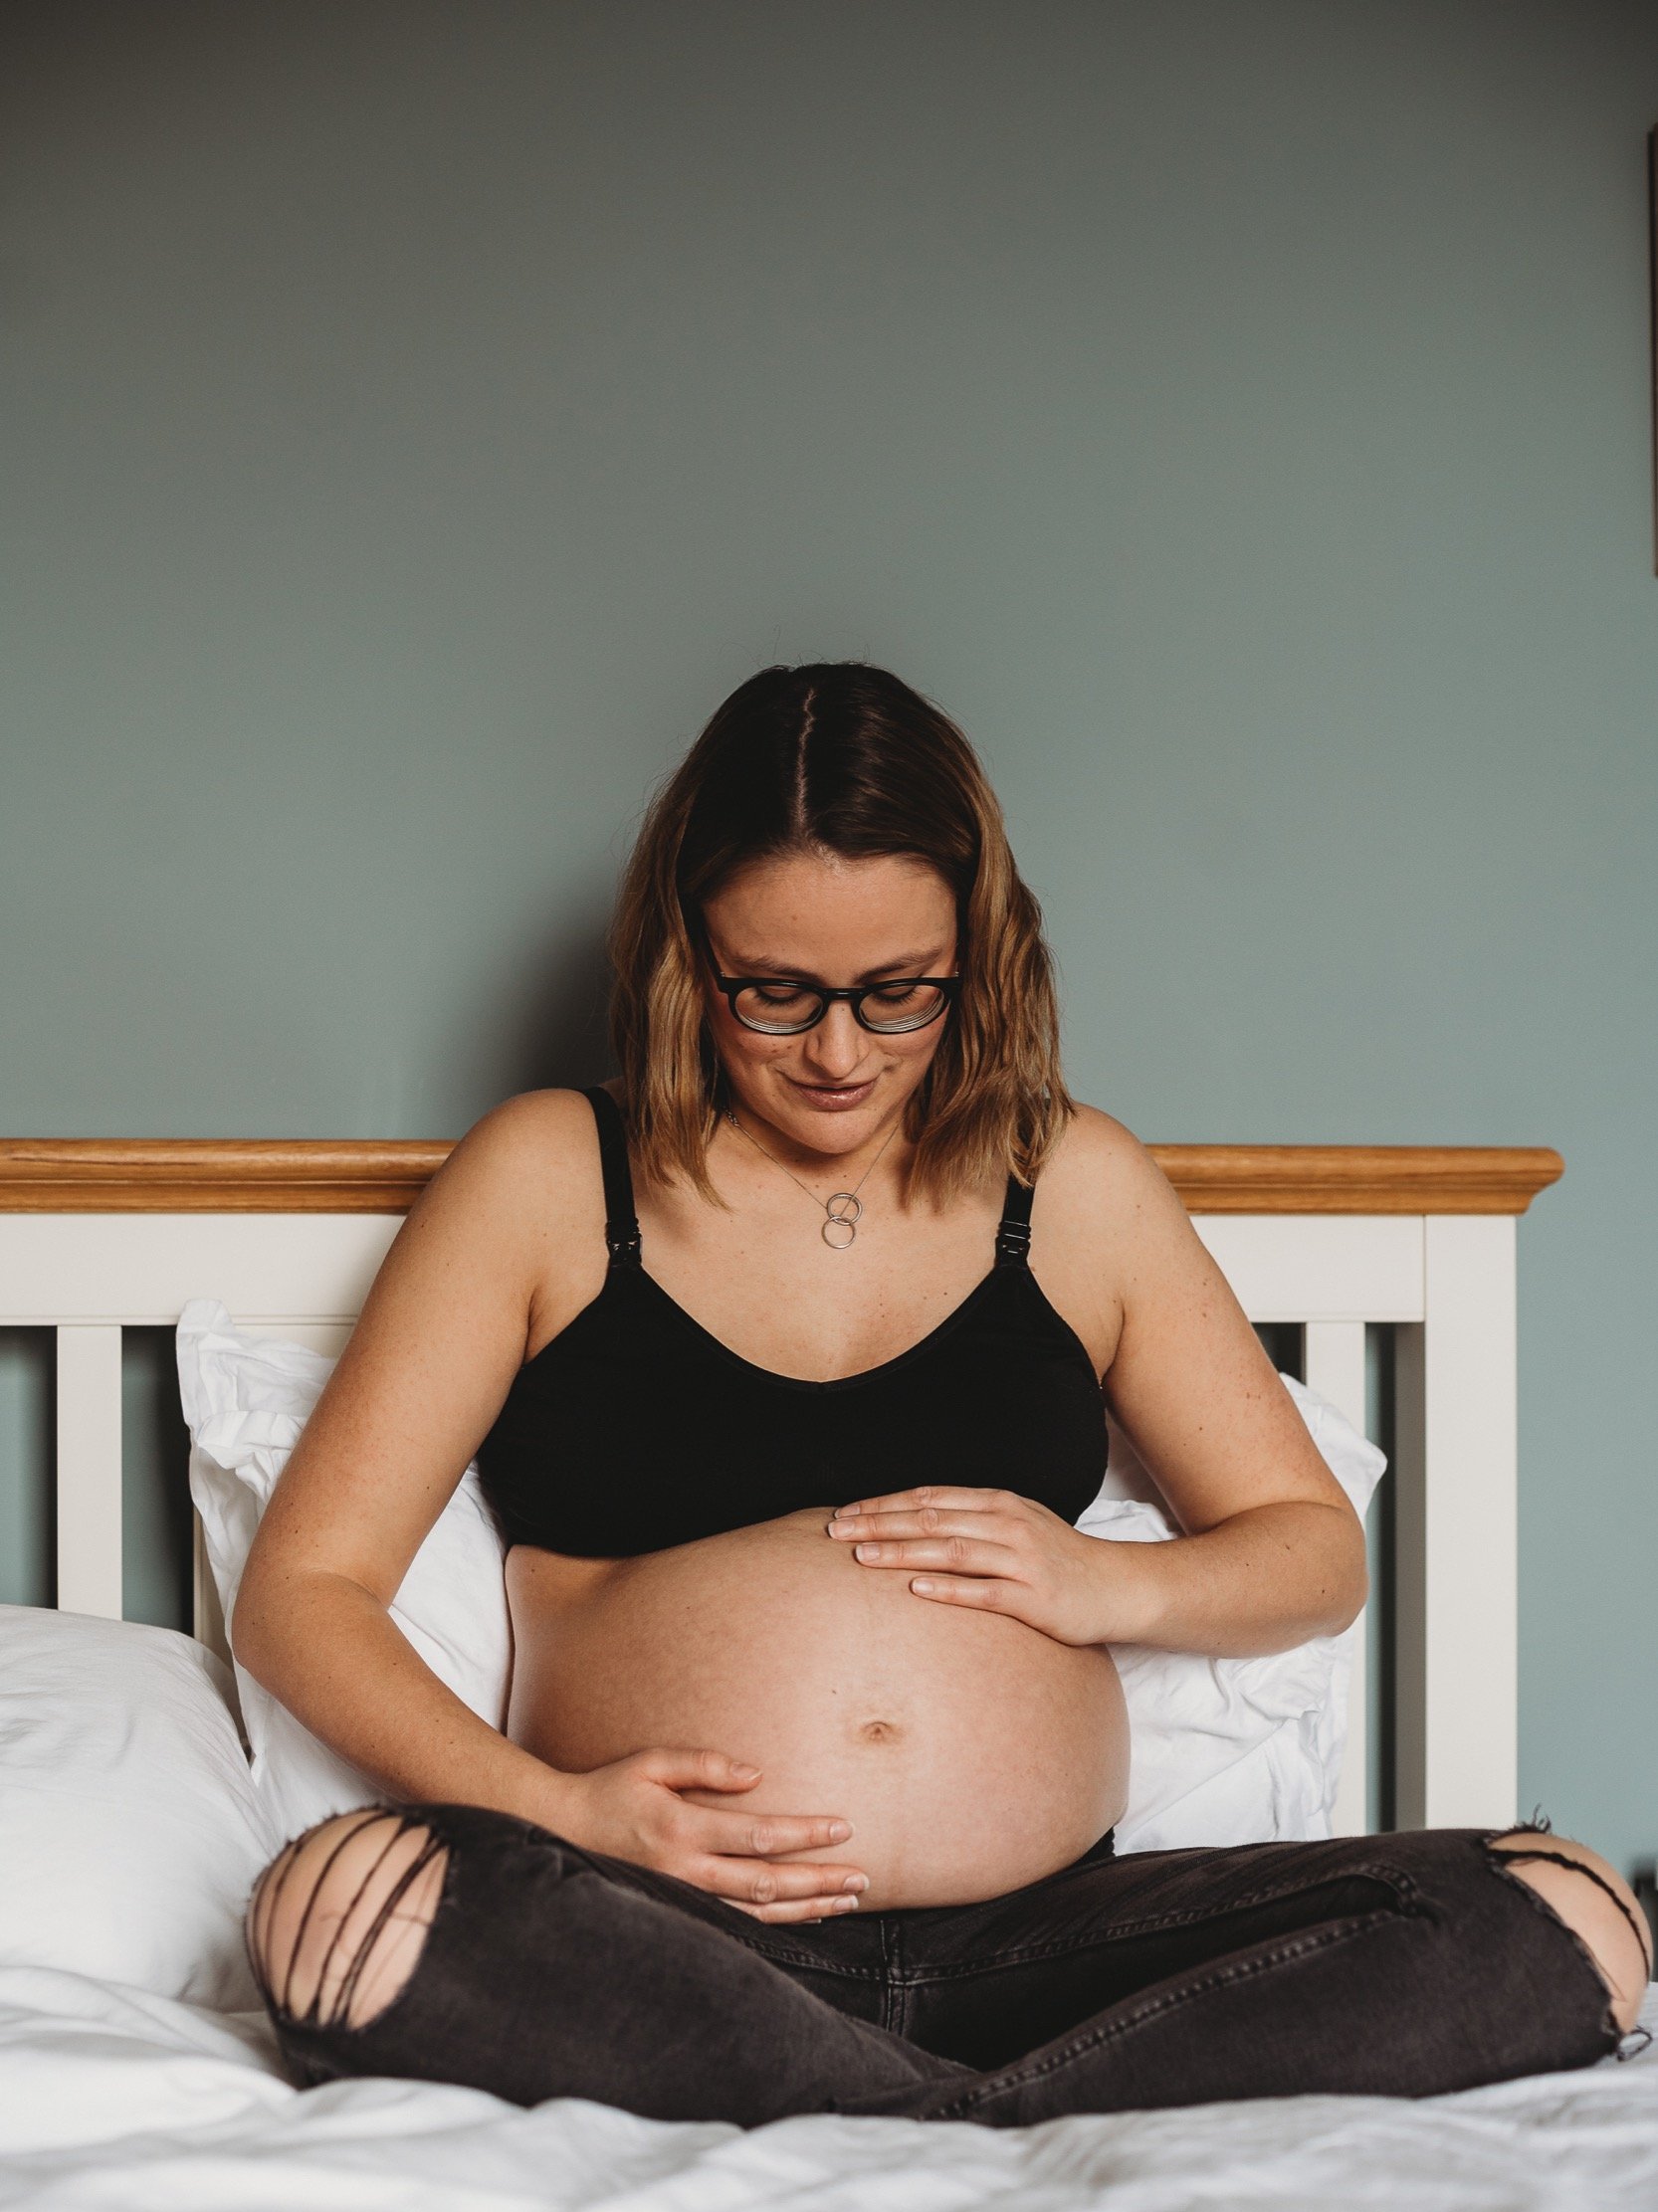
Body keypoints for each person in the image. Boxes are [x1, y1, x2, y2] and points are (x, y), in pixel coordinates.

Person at [235, 663, 1650, 2125]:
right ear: (681, 953)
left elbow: (1309, 1548)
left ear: (981, 955)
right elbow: (305, 1591)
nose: (839, 1054)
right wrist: (564, 1814)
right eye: (773, 994)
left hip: (1065, 1945)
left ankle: (880, 2107)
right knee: (344, 1910)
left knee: (1563, 1913)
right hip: (669, 1930)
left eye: (896, 993)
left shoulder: (1074, 1183)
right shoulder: (545, 1178)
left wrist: (1101, 1583)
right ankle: (1011, 2114)